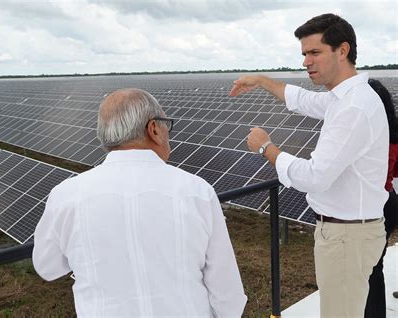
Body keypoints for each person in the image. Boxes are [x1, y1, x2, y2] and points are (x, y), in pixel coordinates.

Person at [32, 88, 247, 317]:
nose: (168, 133)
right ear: (153, 128)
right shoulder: (197, 191)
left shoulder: (66, 196)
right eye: (166, 125)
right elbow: (227, 295)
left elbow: (47, 267)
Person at [229, 13, 388, 317]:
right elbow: (303, 100)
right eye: (304, 54)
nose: (306, 62)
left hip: (346, 238)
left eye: (315, 52)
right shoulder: (345, 98)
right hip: (348, 233)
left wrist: (266, 147)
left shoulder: (352, 107)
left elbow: (315, 177)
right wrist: (262, 81)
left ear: (342, 50)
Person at [364, 79, 398, 318]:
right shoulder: (393, 136)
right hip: (390, 202)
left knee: (370, 270)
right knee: (375, 266)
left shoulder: (368, 137)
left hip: (374, 208)